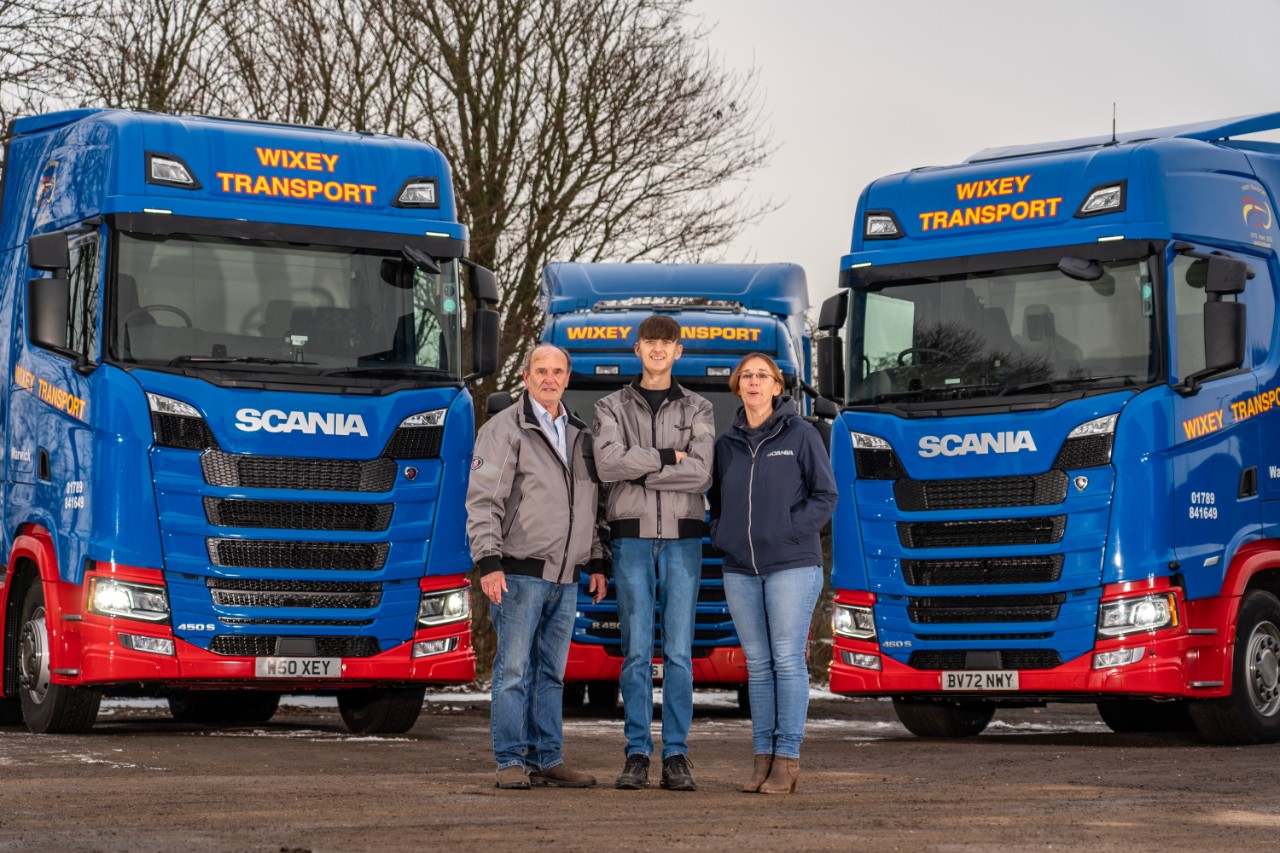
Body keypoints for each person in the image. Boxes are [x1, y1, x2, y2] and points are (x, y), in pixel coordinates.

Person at [466, 343, 609, 790]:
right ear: (525, 377)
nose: (550, 378)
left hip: (566, 578)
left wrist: (598, 561)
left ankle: (548, 757)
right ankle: (510, 759)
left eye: (558, 371)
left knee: (551, 673)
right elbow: (483, 500)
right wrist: (489, 561)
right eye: (541, 371)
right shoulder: (505, 428)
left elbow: (590, 506)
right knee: (513, 671)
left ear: (567, 378)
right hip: (517, 573)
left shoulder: (580, 433)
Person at [593, 314, 714, 792]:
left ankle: (678, 755)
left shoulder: (700, 407)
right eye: (650, 342)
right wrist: (667, 457)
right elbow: (606, 464)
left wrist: (637, 468)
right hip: (630, 538)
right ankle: (638, 752)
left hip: (684, 538)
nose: (658, 350)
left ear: (678, 351)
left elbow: (702, 474)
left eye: (667, 343)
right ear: (637, 349)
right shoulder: (609, 406)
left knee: (680, 653)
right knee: (637, 651)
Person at [708, 353, 837, 794]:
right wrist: (721, 535)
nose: (754, 383)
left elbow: (825, 495)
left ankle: (788, 759)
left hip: (792, 566)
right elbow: (718, 505)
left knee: (786, 659)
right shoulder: (725, 445)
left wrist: (787, 531)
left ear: (778, 387)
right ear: (737, 387)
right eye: (746, 376)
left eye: (763, 376)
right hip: (740, 569)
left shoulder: (800, 434)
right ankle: (762, 758)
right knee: (758, 667)